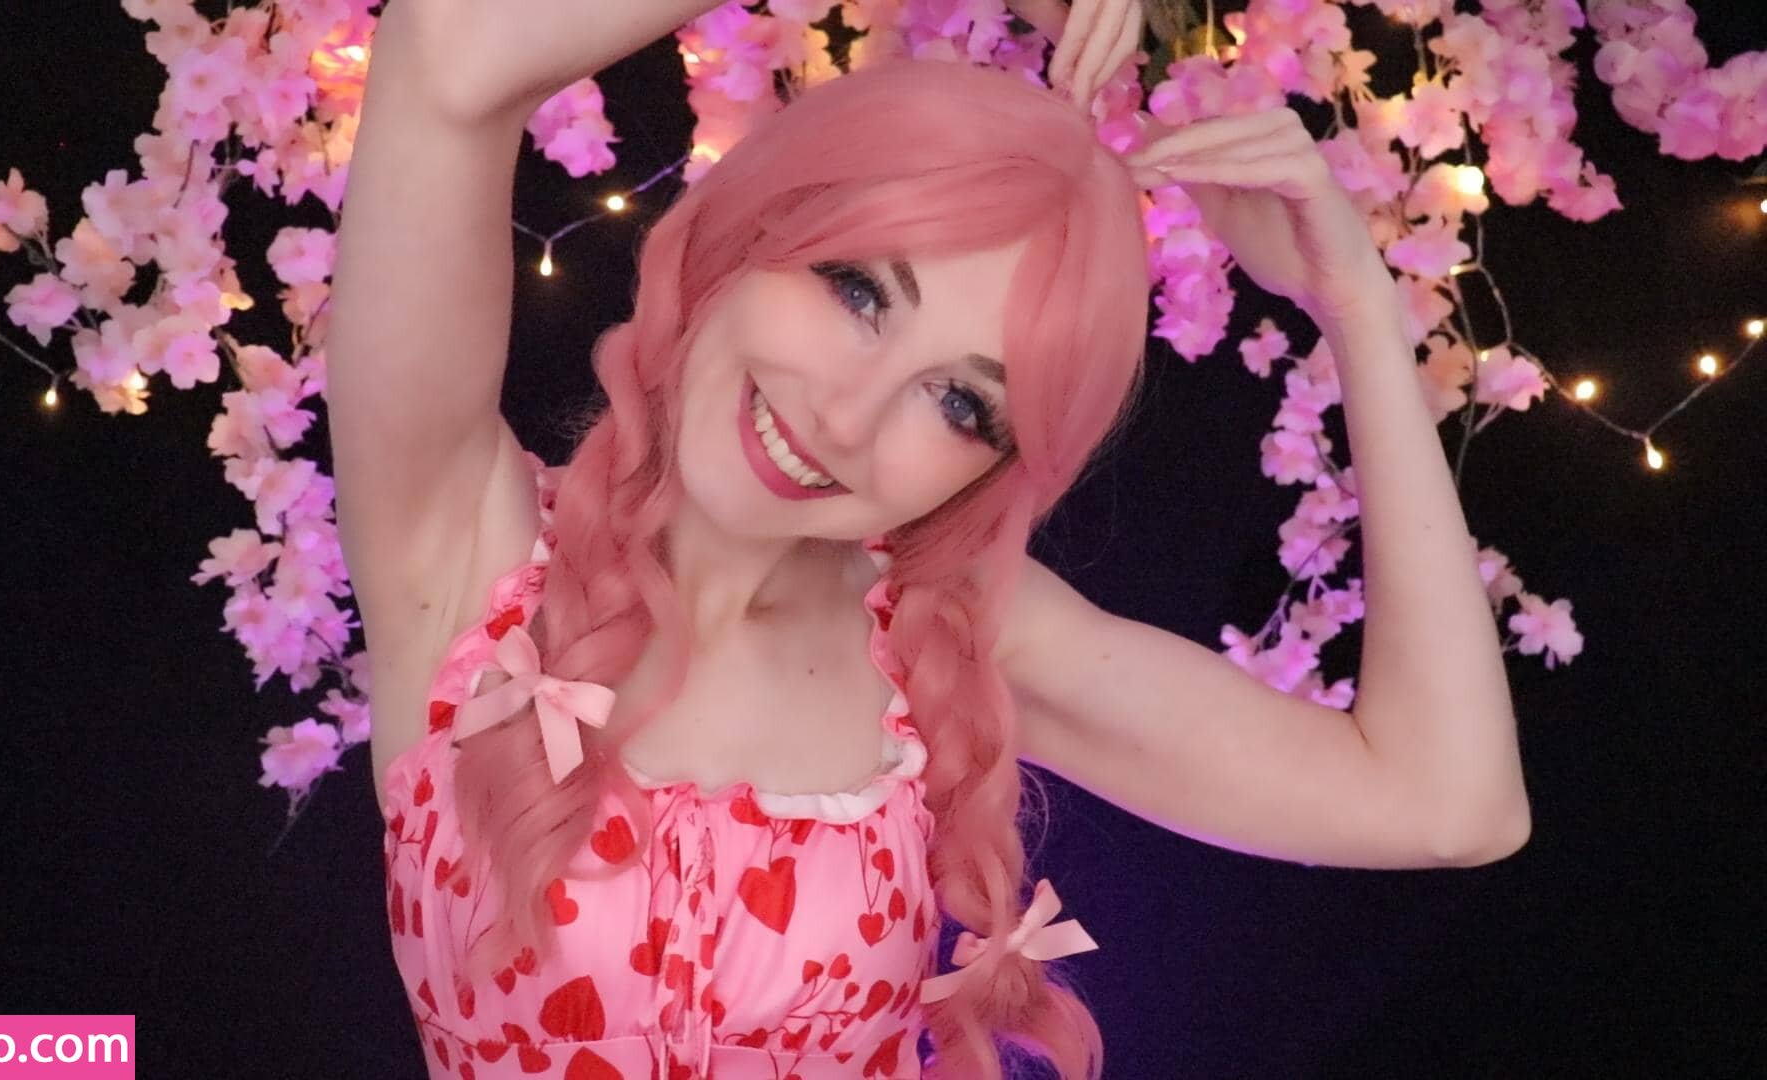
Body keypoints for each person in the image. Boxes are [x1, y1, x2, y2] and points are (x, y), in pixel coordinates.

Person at [326, 1, 1532, 1077]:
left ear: (995, 466)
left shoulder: (946, 639)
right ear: (752, 232)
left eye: (960, 403)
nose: (846, 418)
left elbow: (1449, 803)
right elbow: (447, 50)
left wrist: (1358, 310)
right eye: (857, 292)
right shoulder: (462, 548)